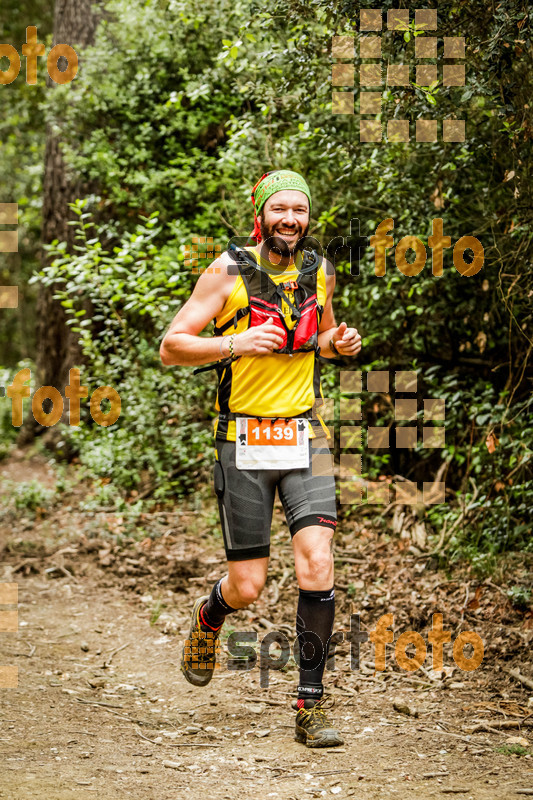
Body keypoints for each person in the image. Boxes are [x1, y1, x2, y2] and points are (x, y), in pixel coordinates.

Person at [160, 170, 362, 747]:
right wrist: (234, 343)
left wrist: (336, 343)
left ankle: (310, 705)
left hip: (305, 435)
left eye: (300, 209)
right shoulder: (227, 271)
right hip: (242, 440)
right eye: (280, 209)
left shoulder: (316, 270)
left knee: (316, 562)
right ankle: (209, 618)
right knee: (247, 586)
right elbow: (172, 345)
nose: (291, 220)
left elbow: (317, 337)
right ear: (261, 215)